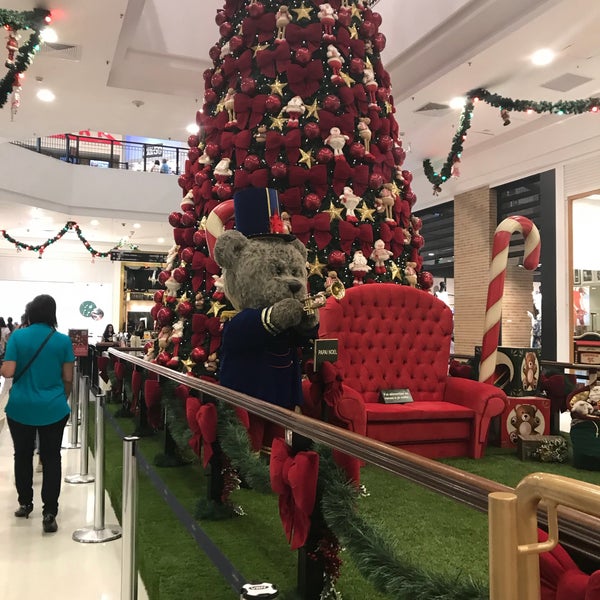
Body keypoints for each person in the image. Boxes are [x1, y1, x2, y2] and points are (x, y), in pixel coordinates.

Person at [0, 294, 75, 533]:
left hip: (20, 407)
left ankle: (25, 503)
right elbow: (68, 379)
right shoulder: (62, 341)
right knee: (52, 458)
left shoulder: (18, 336)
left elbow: (9, 371)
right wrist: (59, 400)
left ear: (30, 313)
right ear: (52, 314)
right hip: (53, 407)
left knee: (22, 455)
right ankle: (50, 511)